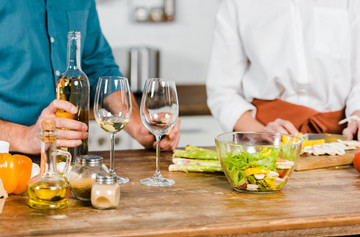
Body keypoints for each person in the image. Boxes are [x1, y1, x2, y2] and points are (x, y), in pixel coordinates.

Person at [0, 0, 180, 154]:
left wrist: (138, 125)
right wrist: (24, 137)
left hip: (71, 157)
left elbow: (99, 66)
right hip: (8, 160)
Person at [206, 0, 360, 140]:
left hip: (343, 138)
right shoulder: (237, 4)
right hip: (265, 143)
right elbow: (223, 92)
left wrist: (357, 117)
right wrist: (260, 133)